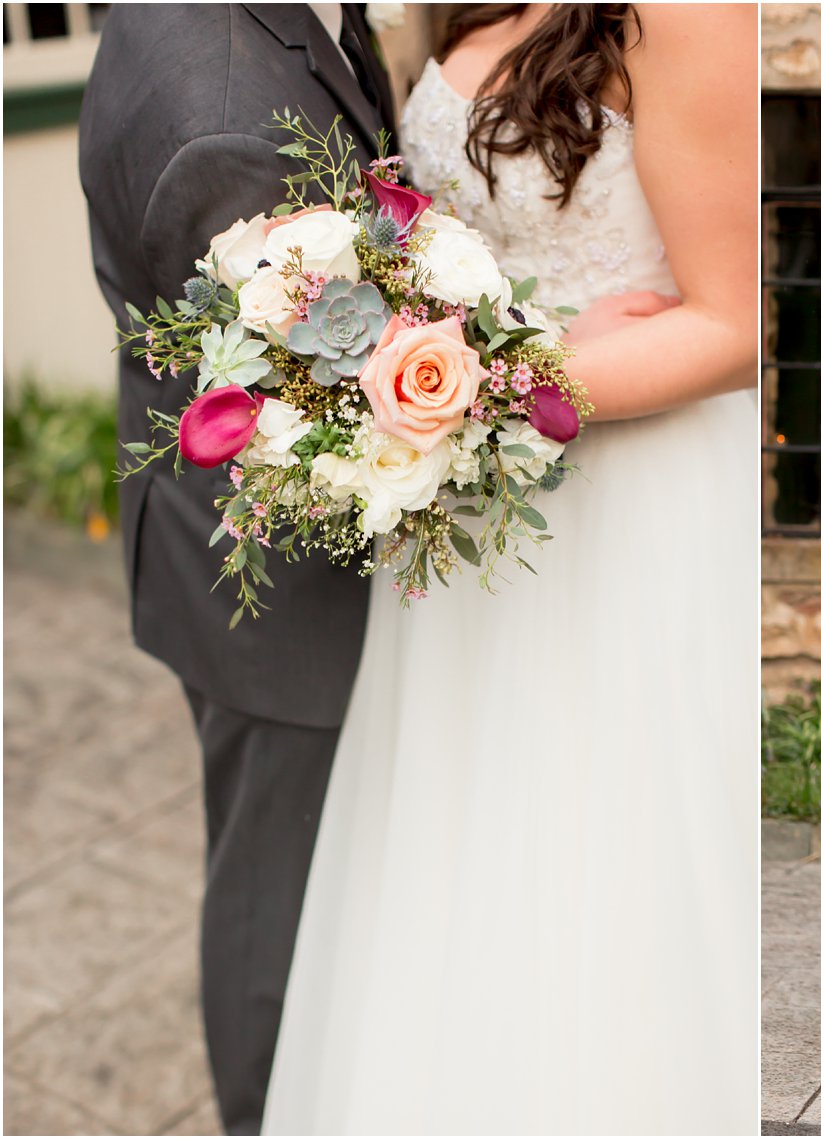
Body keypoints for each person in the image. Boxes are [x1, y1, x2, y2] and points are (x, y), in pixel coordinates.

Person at [261, 5, 758, 1133]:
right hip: (463, 511)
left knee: (600, 852)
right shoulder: (470, 2)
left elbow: (737, 323)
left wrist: (491, 384)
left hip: (627, 502)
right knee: (453, 844)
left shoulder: (686, 17)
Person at [78, 6, 395, 1132]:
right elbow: (313, 395)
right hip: (279, 588)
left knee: (273, 863)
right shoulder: (226, 118)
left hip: (203, 535)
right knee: (275, 900)